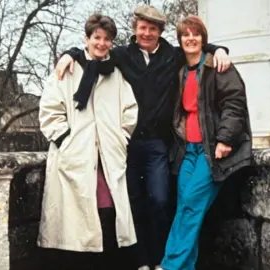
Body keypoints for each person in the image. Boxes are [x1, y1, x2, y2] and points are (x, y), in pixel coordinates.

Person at [54, 5, 231, 270]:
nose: (146, 33)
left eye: (153, 29)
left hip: (159, 143)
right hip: (127, 143)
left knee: (160, 200)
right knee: (132, 203)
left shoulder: (173, 55)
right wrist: (70, 54)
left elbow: (196, 45)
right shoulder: (123, 55)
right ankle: (139, 263)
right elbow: (95, 52)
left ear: (160, 32)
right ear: (135, 29)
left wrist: (219, 50)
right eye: (142, 28)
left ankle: (160, 260)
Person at [37, 14, 138, 270]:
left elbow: (130, 110)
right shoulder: (68, 69)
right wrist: (66, 141)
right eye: (97, 38)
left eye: (107, 39)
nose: (102, 44)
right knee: (73, 220)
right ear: (87, 38)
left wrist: (121, 138)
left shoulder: (116, 73)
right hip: (75, 157)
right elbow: (49, 111)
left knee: (107, 210)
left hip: (107, 157)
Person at [160, 15, 252, 270]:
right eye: (185, 34)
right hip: (186, 150)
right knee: (185, 208)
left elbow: (234, 103)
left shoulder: (218, 66)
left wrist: (225, 139)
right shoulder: (178, 67)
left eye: (196, 34)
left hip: (212, 151)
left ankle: (169, 266)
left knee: (191, 205)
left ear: (203, 38)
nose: (191, 38)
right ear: (180, 40)